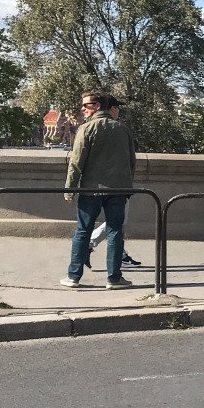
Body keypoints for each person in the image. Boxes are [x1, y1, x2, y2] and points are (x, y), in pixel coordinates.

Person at [62, 89, 136, 289]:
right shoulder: (123, 129)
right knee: (115, 232)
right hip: (118, 190)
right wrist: (127, 187)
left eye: (85, 105)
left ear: (96, 106)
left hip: (90, 190)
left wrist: (70, 190)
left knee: (82, 231)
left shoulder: (86, 129)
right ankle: (114, 278)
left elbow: (76, 163)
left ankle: (74, 276)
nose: (82, 109)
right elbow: (131, 162)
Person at [85, 98, 141, 268]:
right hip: (116, 184)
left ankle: (119, 254)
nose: (118, 112)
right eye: (117, 108)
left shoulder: (94, 128)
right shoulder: (119, 129)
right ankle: (92, 245)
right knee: (118, 220)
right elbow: (129, 159)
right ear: (111, 109)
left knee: (117, 222)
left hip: (99, 183)